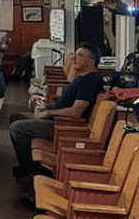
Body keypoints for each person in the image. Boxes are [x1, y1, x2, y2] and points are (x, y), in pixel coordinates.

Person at [10, 44, 102, 180]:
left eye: (80, 55)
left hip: (64, 126)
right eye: (75, 55)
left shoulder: (89, 81)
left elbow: (75, 112)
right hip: (57, 118)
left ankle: (30, 170)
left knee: (17, 128)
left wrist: (49, 113)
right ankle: (28, 164)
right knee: (15, 117)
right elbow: (66, 103)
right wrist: (47, 107)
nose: (74, 58)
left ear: (91, 62)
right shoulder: (82, 77)